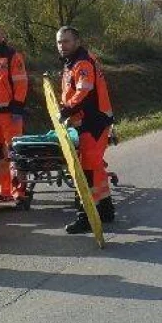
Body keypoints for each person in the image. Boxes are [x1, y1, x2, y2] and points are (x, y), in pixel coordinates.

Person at [55, 26, 116, 234]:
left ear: (77, 42)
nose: (62, 46)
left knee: (86, 171)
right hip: (92, 121)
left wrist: (66, 110)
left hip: (93, 122)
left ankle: (85, 215)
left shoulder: (81, 63)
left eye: (66, 41)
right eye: (59, 42)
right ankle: (106, 210)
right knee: (96, 168)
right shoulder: (74, 61)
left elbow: (83, 91)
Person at [0, 21, 29, 202]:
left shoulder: (13, 56)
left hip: (10, 113)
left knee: (16, 152)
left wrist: (17, 106)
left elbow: (21, 83)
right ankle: (5, 190)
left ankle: (20, 191)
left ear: (3, 34)